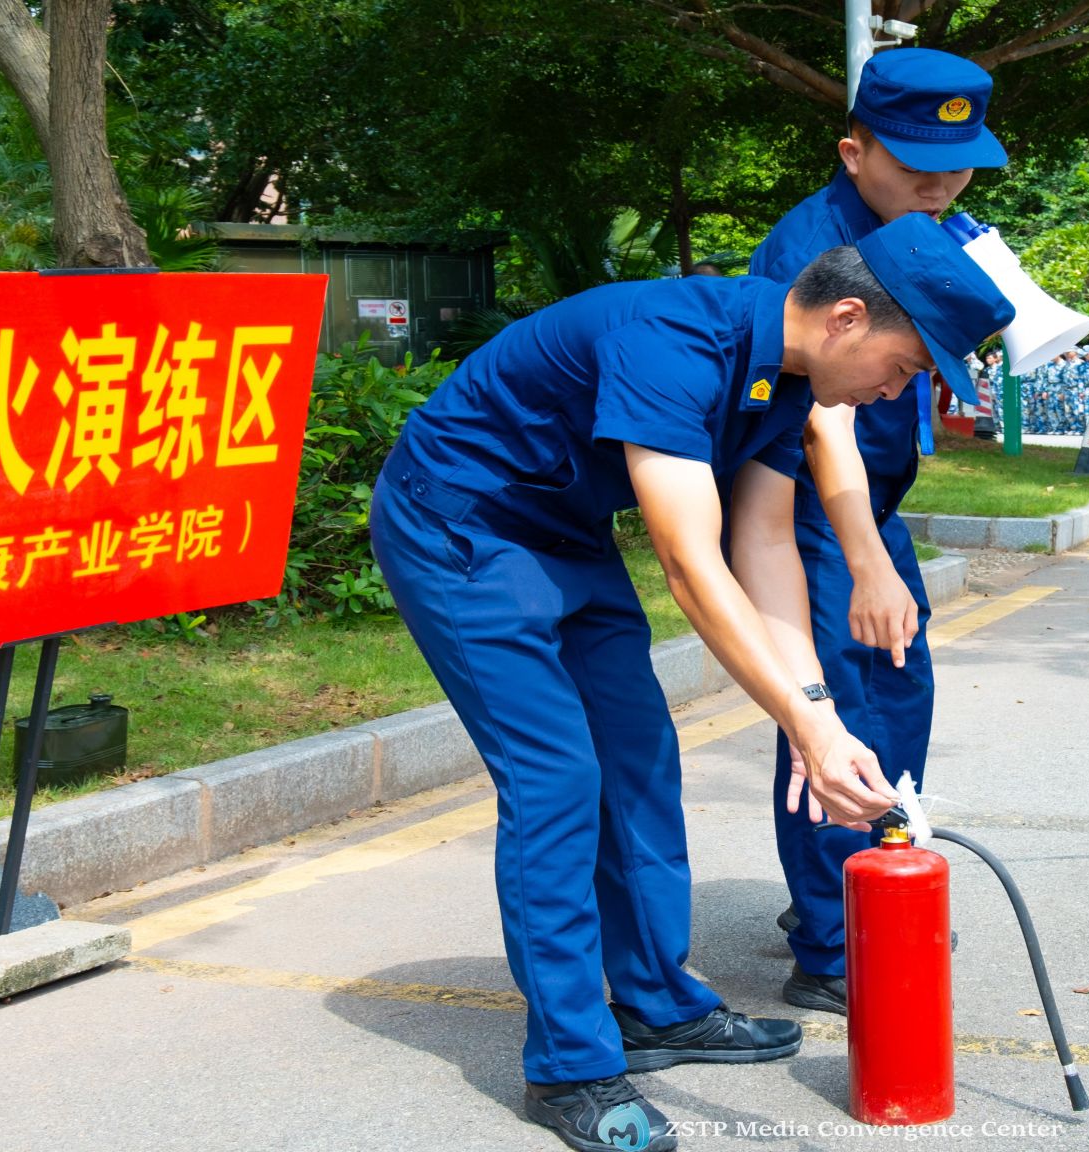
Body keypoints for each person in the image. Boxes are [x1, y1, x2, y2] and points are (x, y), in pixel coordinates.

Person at [370, 214, 1014, 1152]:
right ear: (845, 318)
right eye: (906, 366)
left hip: (564, 531)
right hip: (460, 526)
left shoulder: (787, 380)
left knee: (639, 756)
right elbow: (689, 562)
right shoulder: (672, 340)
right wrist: (802, 725)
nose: (895, 391)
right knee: (556, 781)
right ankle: (570, 1067)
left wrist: (819, 713)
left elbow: (764, 547)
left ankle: (657, 1004)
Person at [745, 46, 1006, 1019]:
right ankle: (834, 939)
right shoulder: (816, 249)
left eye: (959, 167)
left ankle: (874, 880)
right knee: (840, 711)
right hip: (804, 512)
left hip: (870, 510)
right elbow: (823, 420)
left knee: (898, 696)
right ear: (852, 152)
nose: (940, 185)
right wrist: (865, 565)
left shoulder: (923, 227)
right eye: (917, 166)